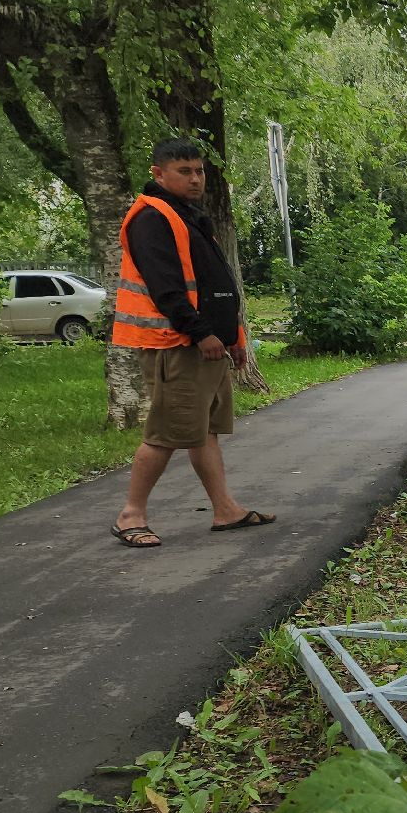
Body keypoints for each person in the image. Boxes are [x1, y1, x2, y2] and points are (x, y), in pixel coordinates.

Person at [108, 138, 273, 548]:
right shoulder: (152, 218)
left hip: (209, 344)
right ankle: (131, 515)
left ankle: (226, 510)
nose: (196, 178)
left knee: (206, 432)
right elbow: (167, 289)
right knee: (166, 432)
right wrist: (200, 334)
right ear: (158, 174)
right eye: (185, 171)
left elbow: (216, 284)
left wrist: (233, 336)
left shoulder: (188, 216)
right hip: (177, 344)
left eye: (199, 170)